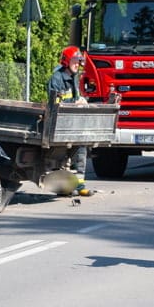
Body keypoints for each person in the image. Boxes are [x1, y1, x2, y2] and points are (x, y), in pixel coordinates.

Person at [48, 46, 91, 196]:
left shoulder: (74, 77)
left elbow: (76, 97)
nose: (77, 64)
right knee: (62, 154)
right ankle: (65, 186)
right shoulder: (57, 78)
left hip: (72, 122)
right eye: (74, 60)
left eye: (78, 61)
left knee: (81, 148)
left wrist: (82, 100)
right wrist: (75, 101)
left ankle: (80, 185)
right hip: (59, 123)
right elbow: (56, 101)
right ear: (66, 61)